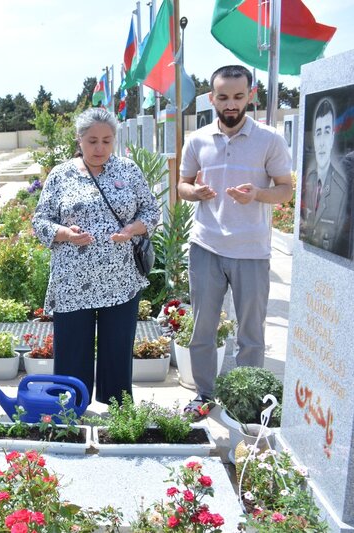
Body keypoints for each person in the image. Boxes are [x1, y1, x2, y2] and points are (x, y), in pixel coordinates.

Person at [177, 65, 292, 418]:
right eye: (223, 97)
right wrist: (195, 192)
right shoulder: (197, 140)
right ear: (212, 98)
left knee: (251, 333)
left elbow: (285, 190)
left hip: (252, 250)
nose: (230, 104)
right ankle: (204, 394)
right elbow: (182, 185)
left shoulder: (269, 139)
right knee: (202, 328)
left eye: (238, 97)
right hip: (206, 246)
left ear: (250, 96)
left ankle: (247, 401)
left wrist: (257, 193)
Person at [32, 107, 160, 406]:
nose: (99, 148)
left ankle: (117, 410)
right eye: (92, 141)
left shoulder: (128, 171)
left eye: (106, 140)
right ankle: (70, 409)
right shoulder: (61, 174)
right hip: (73, 280)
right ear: (79, 140)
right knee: (72, 350)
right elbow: (40, 220)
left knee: (117, 348)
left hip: (121, 278)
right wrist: (65, 233)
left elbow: (151, 210)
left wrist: (132, 229)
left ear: (114, 139)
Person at [299, 97, 351, 257]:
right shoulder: (309, 179)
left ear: (333, 137)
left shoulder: (342, 187)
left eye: (327, 132)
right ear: (314, 138)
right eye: (318, 133)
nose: (321, 142)